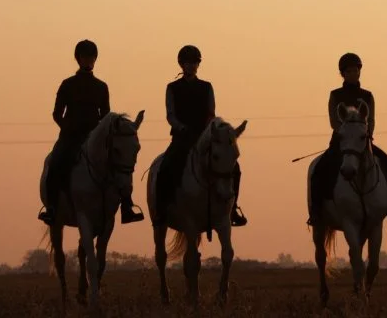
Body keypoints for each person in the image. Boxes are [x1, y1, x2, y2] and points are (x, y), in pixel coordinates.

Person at [38, 39, 144, 225]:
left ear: (95, 59)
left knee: (120, 165)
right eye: (85, 57)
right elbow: (56, 114)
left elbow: (105, 116)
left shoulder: (101, 87)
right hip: (70, 138)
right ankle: (52, 208)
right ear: (78, 59)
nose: (88, 61)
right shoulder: (67, 84)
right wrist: (68, 128)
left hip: (93, 138)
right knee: (55, 163)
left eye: (91, 58)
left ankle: (127, 206)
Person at [152, 45, 248, 227]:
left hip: (204, 136)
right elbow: (170, 115)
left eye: (195, 62)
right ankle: (161, 210)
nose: (191, 66)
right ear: (181, 64)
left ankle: (232, 208)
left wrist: (207, 130)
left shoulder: (206, 87)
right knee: (165, 167)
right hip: (181, 138)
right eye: (188, 63)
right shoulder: (172, 88)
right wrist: (180, 128)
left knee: (234, 168)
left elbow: (211, 112)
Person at [307, 52, 387, 226]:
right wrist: (346, 136)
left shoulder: (368, 95)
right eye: (349, 71)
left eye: (356, 70)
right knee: (318, 171)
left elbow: (371, 119)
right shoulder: (335, 95)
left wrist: (367, 134)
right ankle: (316, 212)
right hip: (340, 144)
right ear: (343, 74)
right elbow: (334, 122)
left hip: (363, 143)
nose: (353, 74)